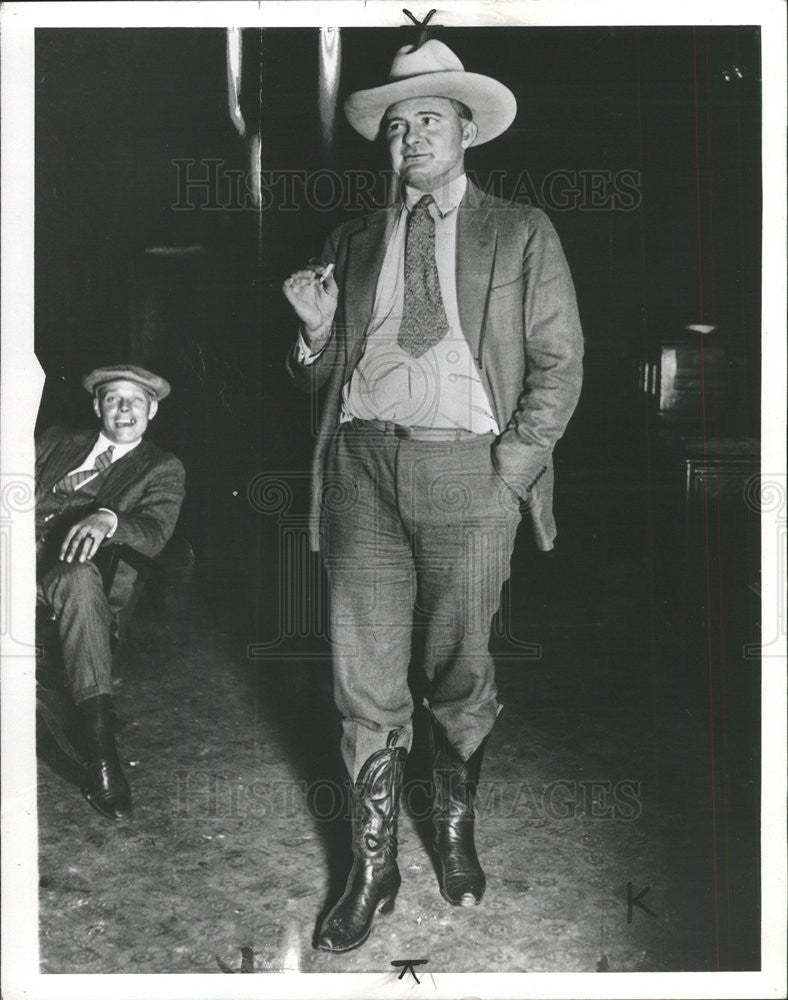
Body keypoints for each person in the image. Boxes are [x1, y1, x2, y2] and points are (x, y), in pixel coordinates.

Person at [283, 38, 583, 952]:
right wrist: (313, 336)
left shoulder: (520, 230)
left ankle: (451, 824)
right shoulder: (352, 239)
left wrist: (510, 473)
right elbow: (325, 383)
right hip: (361, 472)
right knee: (362, 681)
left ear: (466, 128)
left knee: (460, 668)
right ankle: (372, 867)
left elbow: (559, 367)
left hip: (471, 473)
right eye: (397, 123)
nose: (410, 135)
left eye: (429, 118)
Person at [36, 364, 185, 821]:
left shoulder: (160, 468)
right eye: (113, 398)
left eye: (135, 400)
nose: (124, 409)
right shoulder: (57, 441)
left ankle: (101, 757)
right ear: (96, 404)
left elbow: (156, 531)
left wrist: (111, 519)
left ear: (152, 409)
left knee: (78, 578)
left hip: (70, 578)